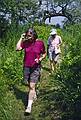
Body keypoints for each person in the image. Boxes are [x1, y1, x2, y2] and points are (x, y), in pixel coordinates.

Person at [16, 28, 46, 113]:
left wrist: (40, 59)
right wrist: (21, 38)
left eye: (30, 35)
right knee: (29, 84)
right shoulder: (25, 43)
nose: (28, 37)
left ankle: (29, 107)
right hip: (26, 66)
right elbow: (17, 48)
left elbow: (44, 53)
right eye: (27, 36)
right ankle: (34, 92)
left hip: (36, 67)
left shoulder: (40, 43)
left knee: (31, 86)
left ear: (34, 34)